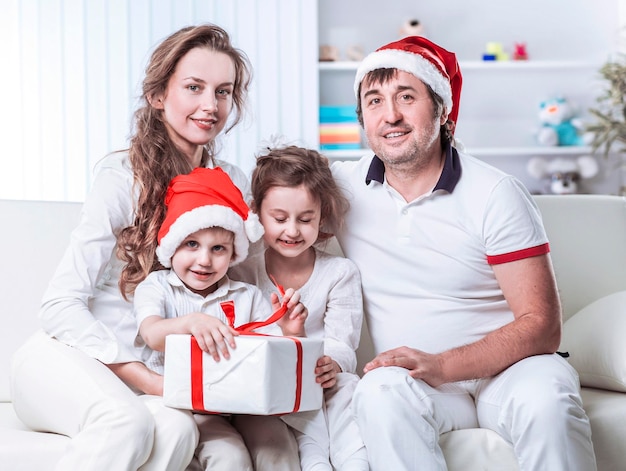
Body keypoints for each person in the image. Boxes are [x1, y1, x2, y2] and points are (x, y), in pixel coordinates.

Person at [10, 24, 299, 470]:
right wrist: (143, 378)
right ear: (158, 95)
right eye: (194, 87)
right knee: (126, 423)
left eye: (223, 92)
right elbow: (59, 305)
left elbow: (243, 301)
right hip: (75, 359)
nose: (210, 106)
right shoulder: (121, 179)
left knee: (196, 437)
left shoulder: (232, 186)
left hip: (165, 382)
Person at [330, 36, 597, 471]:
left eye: (406, 96)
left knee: (548, 401)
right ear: (362, 118)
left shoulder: (495, 193)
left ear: (441, 107)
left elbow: (542, 326)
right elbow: (262, 201)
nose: (391, 115)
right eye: (374, 100)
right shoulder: (342, 189)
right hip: (420, 385)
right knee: (377, 392)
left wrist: (444, 363)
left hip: (511, 373)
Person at [134, 166, 307, 470]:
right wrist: (191, 323)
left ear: (233, 253)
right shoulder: (157, 288)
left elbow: (275, 359)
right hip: (183, 406)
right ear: (172, 245)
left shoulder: (247, 295)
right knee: (230, 457)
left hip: (244, 405)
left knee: (277, 446)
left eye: (218, 249)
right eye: (191, 245)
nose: (204, 260)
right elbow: (151, 333)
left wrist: (290, 331)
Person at [230, 143, 369, 471]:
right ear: (257, 213)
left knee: (350, 390)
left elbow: (344, 345)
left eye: (305, 219)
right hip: (276, 391)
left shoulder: (340, 273)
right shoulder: (242, 272)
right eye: (279, 218)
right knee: (303, 422)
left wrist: (331, 363)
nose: (292, 231)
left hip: (326, 383)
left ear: (322, 216)